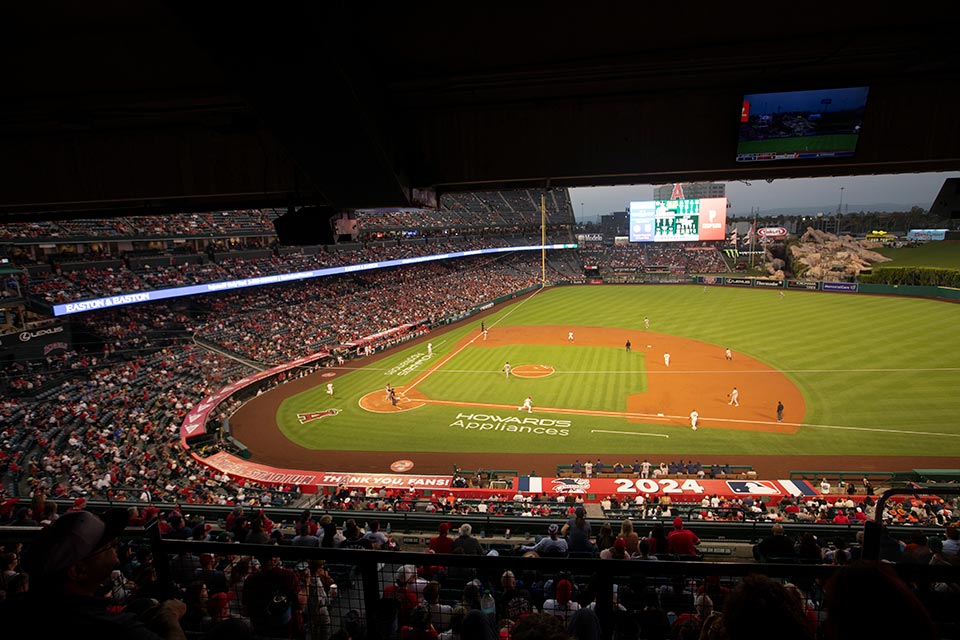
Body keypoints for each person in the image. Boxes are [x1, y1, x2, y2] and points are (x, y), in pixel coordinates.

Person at [4, 507, 188, 640]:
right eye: (107, 546)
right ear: (78, 570)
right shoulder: (114, 629)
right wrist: (169, 617)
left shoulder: (13, 608)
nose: (115, 544)